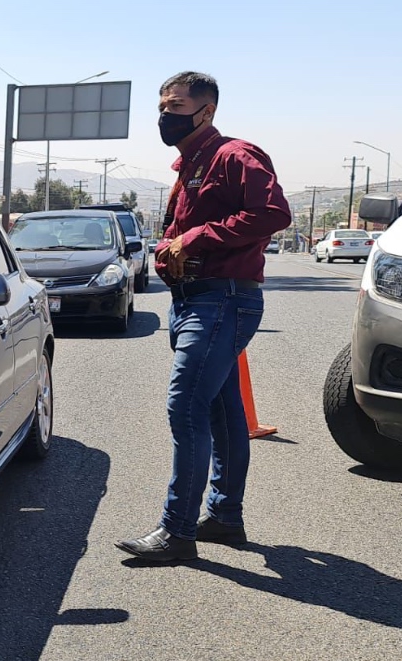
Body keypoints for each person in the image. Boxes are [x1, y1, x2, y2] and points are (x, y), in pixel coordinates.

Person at [116, 72, 291, 563]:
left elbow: (274, 213)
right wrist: (167, 251)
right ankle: (225, 516)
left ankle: (177, 531)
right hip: (192, 300)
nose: (164, 115)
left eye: (175, 105)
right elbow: (178, 233)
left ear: (206, 110)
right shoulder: (187, 166)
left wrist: (193, 240)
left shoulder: (236, 155)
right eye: (163, 105)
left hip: (224, 299)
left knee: (186, 406)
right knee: (221, 409)